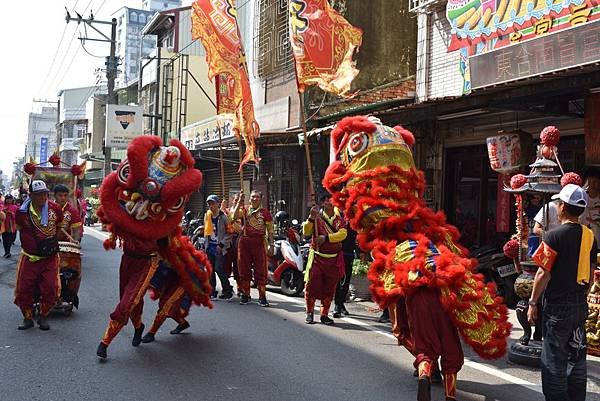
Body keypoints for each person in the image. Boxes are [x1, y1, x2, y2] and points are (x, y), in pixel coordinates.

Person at [529, 184, 597, 401]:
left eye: (559, 204)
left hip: (558, 307)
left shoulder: (553, 236)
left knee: (554, 361)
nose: (557, 207)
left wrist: (532, 303)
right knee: (577, 356)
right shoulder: (590, 236)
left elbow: (542, 273)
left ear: (563, 208)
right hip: (579, 304)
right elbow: (590, 271)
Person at [14, 180, 63, 331]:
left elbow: (59, 227)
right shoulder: (21, 213)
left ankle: (43, 316)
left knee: (50, 288)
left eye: (45, 194)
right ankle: (27, 317)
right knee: (24, 289)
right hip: (29, 257)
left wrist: (50, 244)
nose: (43, 198)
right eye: (39, 195)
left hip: (49, 258)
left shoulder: (55, 209)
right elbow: (20, 229)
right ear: (31, 196)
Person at [302, 195, 347, 325]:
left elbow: (343, 234)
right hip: (317, 257)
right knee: (311, 286)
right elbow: (306, 231)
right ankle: (309, 313)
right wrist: (311, 217)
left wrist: (326, 238)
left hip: (333, 260)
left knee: (329, 288)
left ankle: (324, 314)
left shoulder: (340, 220)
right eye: (326, 200)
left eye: (331, 200)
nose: (328, 202)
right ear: (322, 203)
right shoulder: (316, 217)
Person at [232, 190, 274, 306]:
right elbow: (233, 216)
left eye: (256, 197)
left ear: (261, 199)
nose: (254, 199)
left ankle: (262, 297)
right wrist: (239, 201)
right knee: (243, 269)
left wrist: (272, 245)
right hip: (245, 242)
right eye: (252, 197)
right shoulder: (244, 210)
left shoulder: (265, 213)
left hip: (259, 243)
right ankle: (246, 294)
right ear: (249, 199)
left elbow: (270, 231)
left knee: (261, 270)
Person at [53, 184, 83, 307]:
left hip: (65, 246)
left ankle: (67, 293)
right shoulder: (48, 208)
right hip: (49, 245)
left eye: (65, 195)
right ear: (54, 195)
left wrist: (75, 243)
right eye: (60, 195)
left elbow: (76, 232)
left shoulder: (72, 211)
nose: (63, 198)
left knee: (69, 271)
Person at [204, 194, 233, 300]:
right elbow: (206, 231)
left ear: (217, 204)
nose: (211, 206)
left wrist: (221, 244)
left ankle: (227, 290)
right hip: (210, 246)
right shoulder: (207, 215)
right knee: (210, 270)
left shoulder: (223, 217)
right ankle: (212, 291)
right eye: (209, 204)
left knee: (218, 268)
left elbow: (230, 232)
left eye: (212, 203)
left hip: (219, 247)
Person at [333, 225, 356, 318]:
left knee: (346, 281)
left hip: (349, 254)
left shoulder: (354, 218)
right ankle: (337, 305)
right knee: (339, 279)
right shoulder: (338, 216)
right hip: (338, 252)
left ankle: (341, 303)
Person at [581, 167, 600, 244]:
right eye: (589, 181)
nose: (592, 185)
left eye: (595, 182)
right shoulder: (581, 199)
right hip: (584, 241)